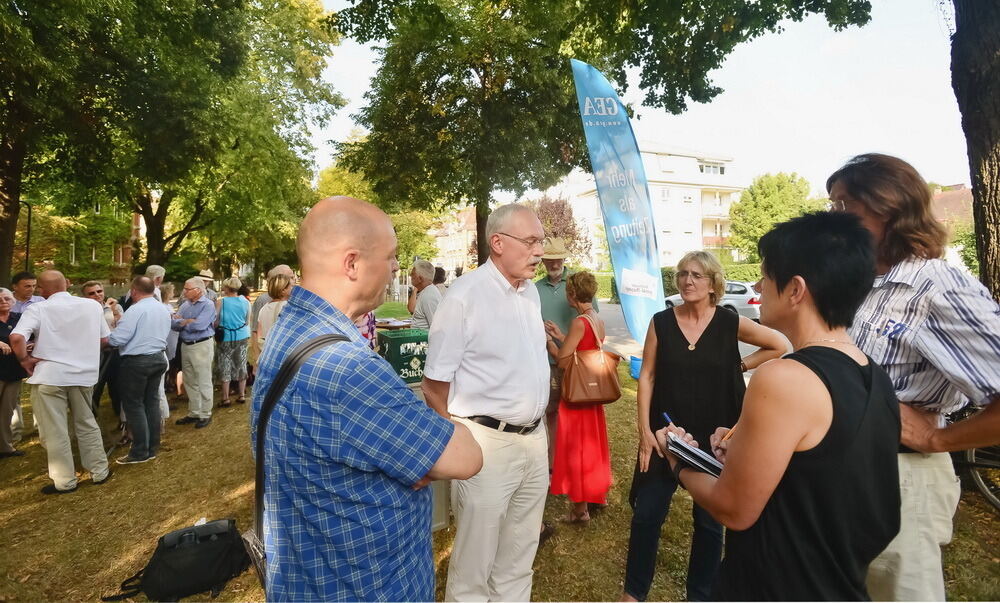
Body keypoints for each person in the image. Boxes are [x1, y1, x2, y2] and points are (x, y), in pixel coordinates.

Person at [654, 211, 901, 600]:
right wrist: (741, 450)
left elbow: (734, 508)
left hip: (773, 583)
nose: (757, 286)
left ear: (795, 289)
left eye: (766, 277)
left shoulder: (784, 378)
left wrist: (678, 459)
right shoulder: (873, 375)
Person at [251, 196, 482, 601]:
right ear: (352, 263)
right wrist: (429, 441)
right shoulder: (347, 368)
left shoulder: (288, 330)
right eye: (391, 256)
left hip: (311, 575)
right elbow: (464, 457)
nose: (397, 267)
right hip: (367, 585)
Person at [828, 153, 1000, 601]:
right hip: (841, 474)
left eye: (844, 206)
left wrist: (939, 439)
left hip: (900, 479)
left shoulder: (938, 286)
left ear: (888, 208)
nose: (833, 218)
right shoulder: (864, 283)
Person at [623, 251, 786, 602]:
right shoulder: (662, 322)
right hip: (667, 435)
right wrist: (644, 434)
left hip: (714, 439)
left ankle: (700, 596)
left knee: (710, 525)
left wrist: (738, 366)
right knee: (647, 515)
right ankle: (634, 594)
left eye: (697, 275)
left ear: (713, 283)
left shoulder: (728, 322)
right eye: (682, 274)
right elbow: (647, 376)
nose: (687, 281)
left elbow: (780, 345)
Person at [422, 203, 551, 602]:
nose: (539, 251)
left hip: (535, 438)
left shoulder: (530, 293)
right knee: (475, 563)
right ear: (497, 242)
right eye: (531, 241)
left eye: (540, 241)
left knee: (519, 554)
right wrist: (455, 440)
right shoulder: (463, 297)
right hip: (485, 443)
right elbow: (433, 385)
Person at [9, 270, 112, 494]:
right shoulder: (92, 306)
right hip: (82, 373)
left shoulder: (37, 308)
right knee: (86, 423)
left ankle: (64, 481)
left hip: (51, 375)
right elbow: (104, 339)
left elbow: (16, 337)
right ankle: (99, 471)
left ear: (42, 290)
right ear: (66, 284)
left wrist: (25, 360)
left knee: (54, 430)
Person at [543, 271, 611, 524]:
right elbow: (586, 348)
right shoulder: (596, 319)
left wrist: (550, 343)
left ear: (572, 294)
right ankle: (597, 495)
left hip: (577, 395)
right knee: (592, 447)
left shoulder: (579, 322)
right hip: (592, 395)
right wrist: (562, 336)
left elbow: (564, 361)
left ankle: (579, 510)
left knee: (576, 448)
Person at [536, 237, 600, 467]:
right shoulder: (535, 289)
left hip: (575, 367)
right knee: (551, 413)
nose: (554, 264)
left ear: (564, 258)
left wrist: (552, 343)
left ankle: (576, 470)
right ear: (542, 260)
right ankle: (555, 466)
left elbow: (591, 325)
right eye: (549, 260)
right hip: (548, 365)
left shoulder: (577, 284)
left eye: (557, 259)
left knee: (577, 420)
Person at [109, 276, 171, 464]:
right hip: (158, 357)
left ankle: (139, 451)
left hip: (137, 361)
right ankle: (152, 447)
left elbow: (119, 338)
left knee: (134, 406)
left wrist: (107, 338)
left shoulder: (136, 310)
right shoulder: (162, 308)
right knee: (151, 403)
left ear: (134, 291)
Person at [172, 277, 216, 428]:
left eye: (187, 289)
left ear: (198, 290)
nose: (184, 291)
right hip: (186, 344)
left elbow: (201, 325)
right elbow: (174, 324)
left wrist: (183, 321)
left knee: (203, 379)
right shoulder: (185, 305)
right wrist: (187, 321)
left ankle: (205, 413)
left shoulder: (208, 305)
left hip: (201, 345)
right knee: (189, 379)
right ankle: (194, 411)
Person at [82, 280, 123, 415]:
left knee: (117, 388)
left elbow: (123, 329)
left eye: (99, 291)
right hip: (95, 354)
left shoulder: (116, 307)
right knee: (95, 388)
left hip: (115, 352)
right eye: (92, 293)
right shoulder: (84, 311)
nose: (97, 295)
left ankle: (120, 418)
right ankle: (91, 418)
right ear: (85, 296)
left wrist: (115, 314)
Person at [0, 288, 28, 458]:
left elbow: (29, 336)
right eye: (0, 298)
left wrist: (29, 345)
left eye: (6, 298)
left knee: (7, 411)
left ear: (13, 300)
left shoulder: (19, 319)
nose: (3, 301)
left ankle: (5, 447)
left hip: (14, 371)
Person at [215, 277, 251, 406]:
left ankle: (225, 398)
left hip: (225, 336)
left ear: (227, 288)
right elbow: (247, 321)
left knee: (225, 365)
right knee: (241, 363)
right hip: (242, 335)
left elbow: (216, 321)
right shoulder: (245, 301)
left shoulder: (221, 302)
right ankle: (241, 395)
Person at [254, 273, 292, 363]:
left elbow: (259, 334)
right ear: (283, 290)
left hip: (267, 354)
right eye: (290, 287)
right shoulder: (287, 307)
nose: (293, 289)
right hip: (283, 356)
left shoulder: (264, 308)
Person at [408, 259, 441, 329]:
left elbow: (436, 328)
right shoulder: (426, 292)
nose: (410, 275)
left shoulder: (429, 295)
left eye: (413, 273)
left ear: (420, 279)